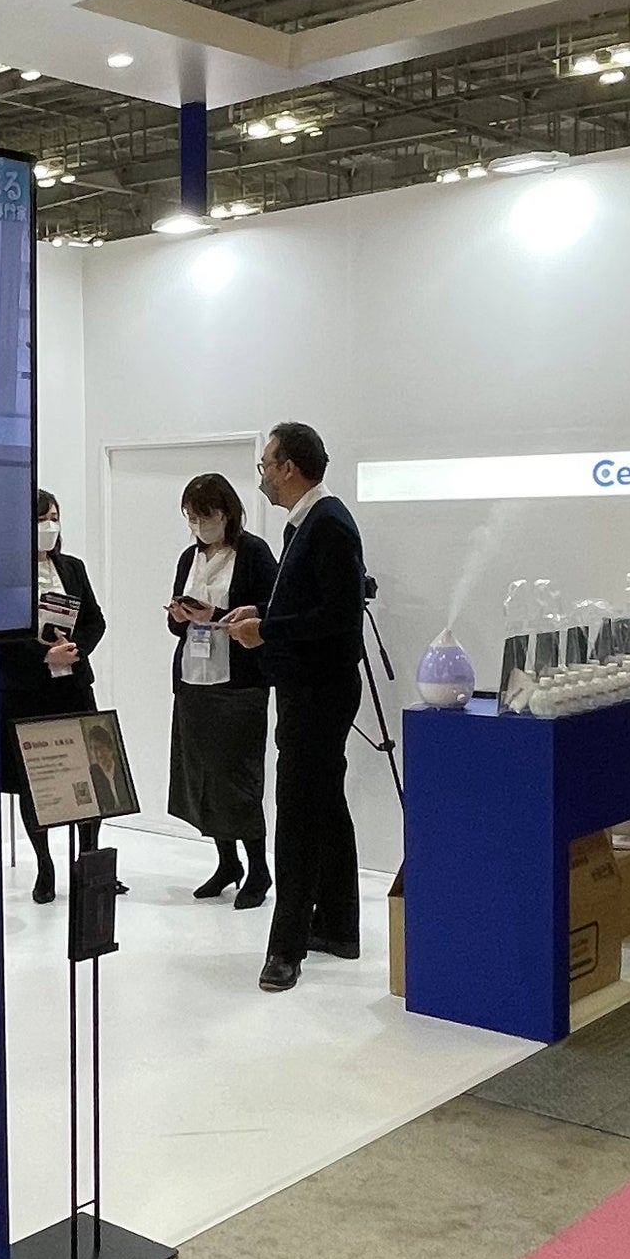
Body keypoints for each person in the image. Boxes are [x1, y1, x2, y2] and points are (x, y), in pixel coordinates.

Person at [226, 422, 366, 993]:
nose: (262, 476)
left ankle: (285, 950)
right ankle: (338, 925)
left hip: (318, 693)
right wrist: (262, 614)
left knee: (299, 819)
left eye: (266, 465)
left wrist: (267, 631)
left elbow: (338, 618)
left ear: (288, 468)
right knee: (326, 807)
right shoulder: (307, 523)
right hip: (309, 688)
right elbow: (310, 604)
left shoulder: (328, 524)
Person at [163, 471, 273, 908]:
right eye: (191, 518)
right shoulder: (188, 558)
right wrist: (180, 615)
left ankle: (259, 869)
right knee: (202, 778)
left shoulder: (254, 553)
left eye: (205, 516)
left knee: (238, 780)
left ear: (226, 512)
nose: (198, 526)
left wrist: (217, 613)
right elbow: (177, 627)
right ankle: (227, 862)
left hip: (238, 685)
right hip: (194, 682)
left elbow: (272, 610)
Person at [2, 487, 111, 906]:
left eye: (54, 518)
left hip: (73, 688)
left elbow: (95, 620)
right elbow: (3, 638)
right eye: (40, 519)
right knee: (36, 783)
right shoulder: (9, 575)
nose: (49, 526)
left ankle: (88, 861)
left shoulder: (72, 567)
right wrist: (44, 656)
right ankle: (45, 866)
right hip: (29, 691)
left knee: (91, 776)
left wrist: (76, 649)